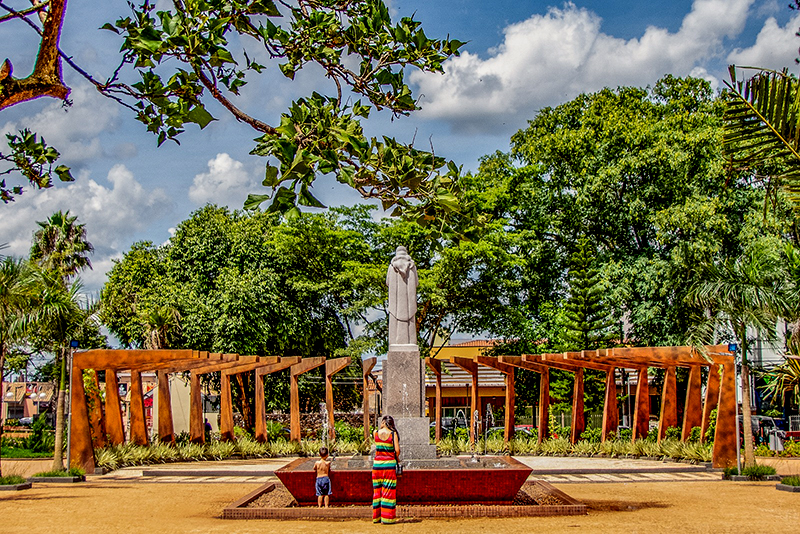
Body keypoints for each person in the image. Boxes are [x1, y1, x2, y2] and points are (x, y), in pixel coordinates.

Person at [372, 415, 400, 524]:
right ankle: (387, 518)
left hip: (377, 465)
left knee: (377, 491)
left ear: (384, 422)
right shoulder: (393, 434)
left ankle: (377, 517)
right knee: (388, 491)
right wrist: (397, 458)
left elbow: (377, 448)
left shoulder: (375, 433)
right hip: (389, 465)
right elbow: (397, 450)